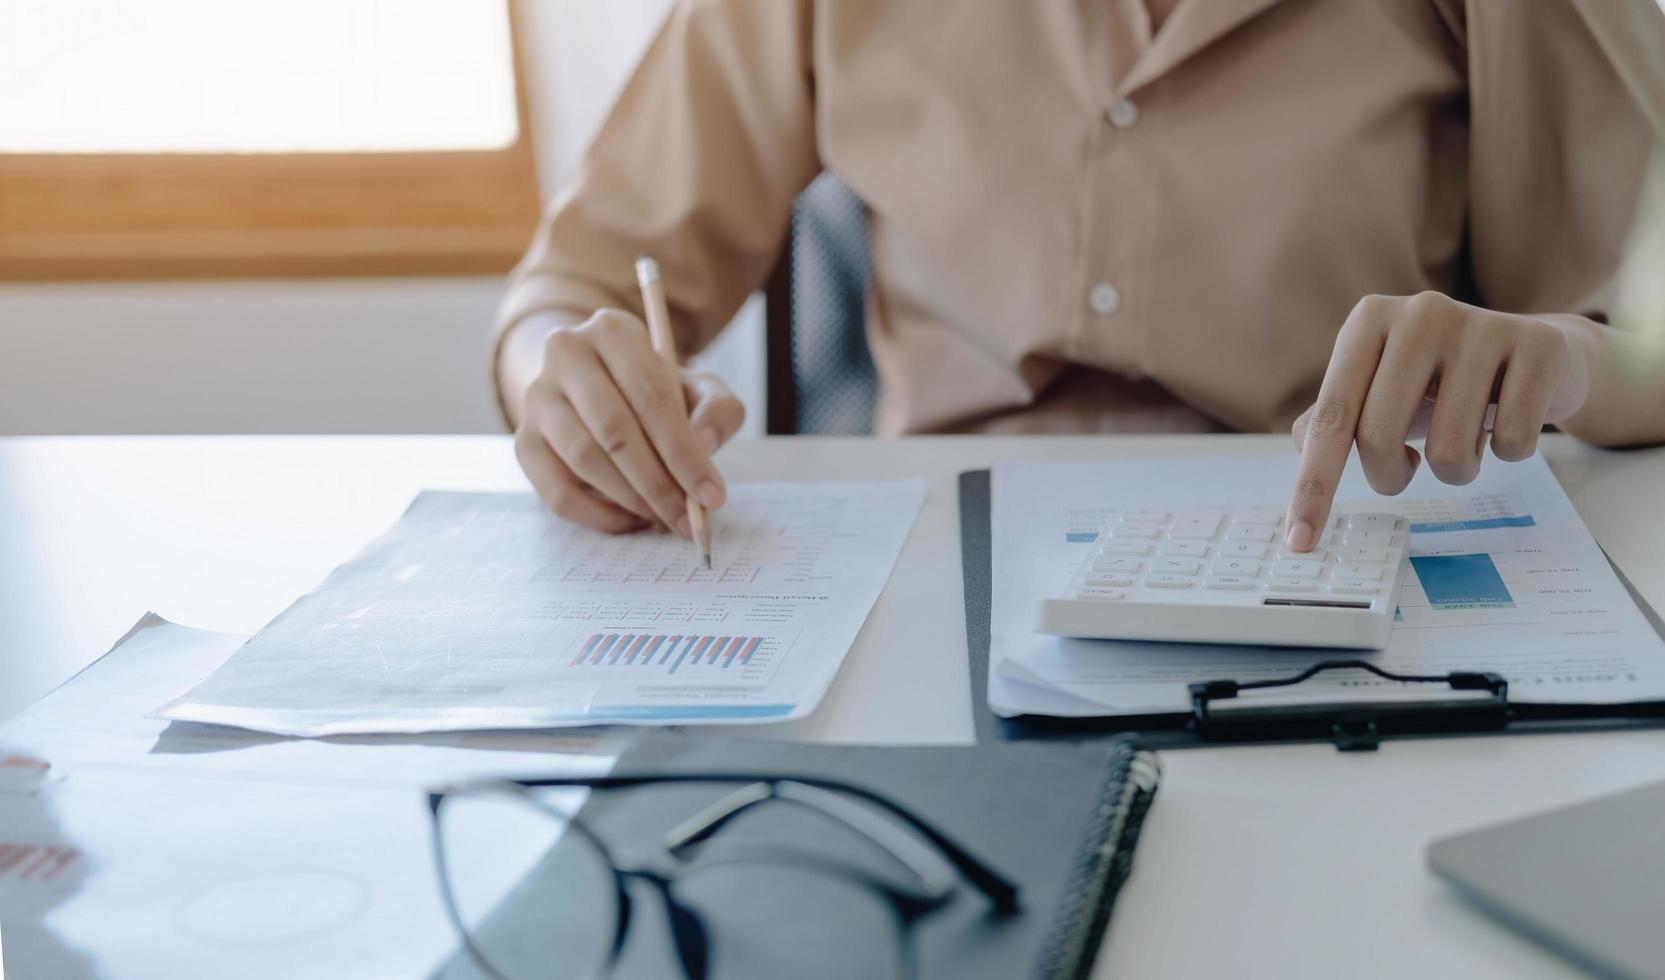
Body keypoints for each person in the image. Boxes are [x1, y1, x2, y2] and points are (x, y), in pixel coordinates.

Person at [492, 0, 1665, 553]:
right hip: (932, 580)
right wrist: (566, 374)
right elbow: (575, 279)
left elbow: (1640, 339)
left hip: (1336, 555)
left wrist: (1555, 357)